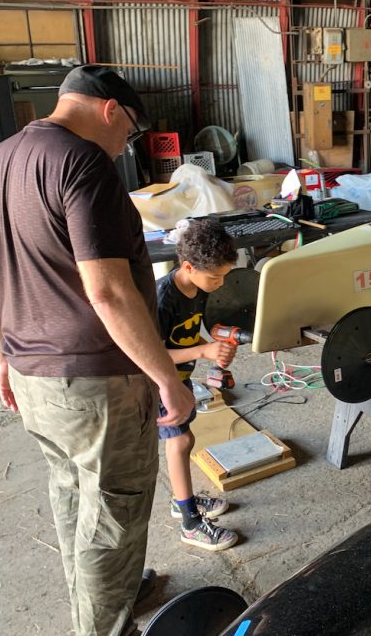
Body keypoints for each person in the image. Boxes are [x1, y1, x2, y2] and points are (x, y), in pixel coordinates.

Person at [0, 65, 194, 636]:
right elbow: (107, 288)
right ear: (111, 109)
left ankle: (93, 608)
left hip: (30, 375)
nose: (126, 146)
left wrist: (3, 357)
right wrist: (166, 377)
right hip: (95, 382)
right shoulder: (82, 161)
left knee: (74, 498)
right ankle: (101, 627)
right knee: (113, 517)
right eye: (131, 131)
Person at [156, 218, 239, 551]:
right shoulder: (164, 298)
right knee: (180, 441)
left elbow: (192, 333)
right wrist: (204, 350)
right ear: (188, 266)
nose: (219, 284)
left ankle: (182, 500)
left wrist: (213, 346)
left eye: (224, 276)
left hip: (182, 378)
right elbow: (153, 354)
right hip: (160, 381)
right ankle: (190, 523)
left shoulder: (198, 289)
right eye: (215, 277)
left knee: (185, 441)